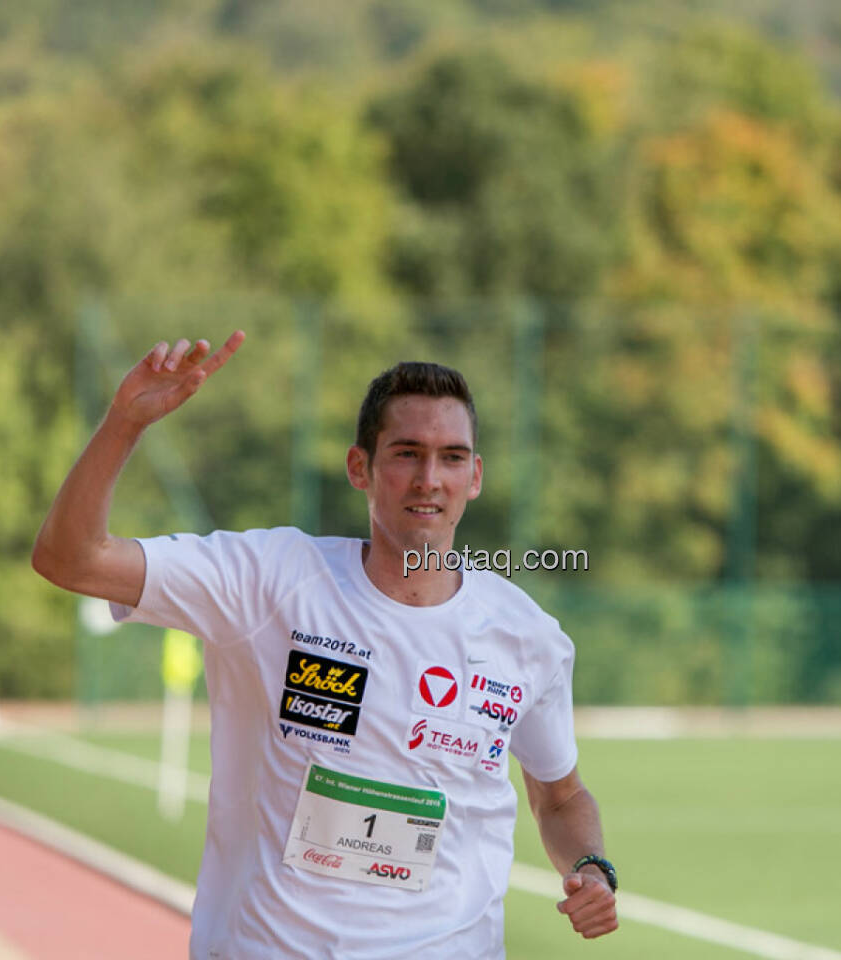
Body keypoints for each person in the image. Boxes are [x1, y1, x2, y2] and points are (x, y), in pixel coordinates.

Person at [32, 333, 618, 959]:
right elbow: (70, 558)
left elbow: (560, 796)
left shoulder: (526, 636)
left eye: (451, 457)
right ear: (359, 467)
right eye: (406, 453)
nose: (429, 479)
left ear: (474, 477)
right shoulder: (269, 581)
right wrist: (125, 423)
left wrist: (591, 864)